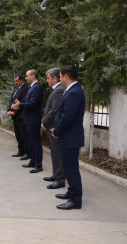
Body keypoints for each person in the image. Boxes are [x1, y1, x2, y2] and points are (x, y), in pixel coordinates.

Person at [52, 66, 85, 210]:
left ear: (66, 76)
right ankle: (72, 192)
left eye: (60, 76)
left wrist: (57, 130)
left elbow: (67, 116)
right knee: (69, 167)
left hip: (70, 137)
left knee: (71, 169)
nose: (59, 79)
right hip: (68, 136)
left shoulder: (74, 92)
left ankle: (76, 199)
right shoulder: (72, 90)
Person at [11, 69, 43, 173]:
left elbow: (32, 104)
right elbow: (28, 102)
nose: (25, 78)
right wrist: (20, 103)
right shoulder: (31, 87)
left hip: (33, 119)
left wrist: (19, 105)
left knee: (36, 143)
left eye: (27, 76)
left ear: (33, 76)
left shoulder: (37, 88)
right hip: (29, 119)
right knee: (31, 143)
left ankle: (38, 164)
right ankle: (33, 161)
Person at [41, 68, 66, 189]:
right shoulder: (56, 90)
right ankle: (56, 175)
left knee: (57, 154)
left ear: (55, 78)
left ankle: (60, 179)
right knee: (54, 153)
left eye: (48, 78)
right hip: (50, 126)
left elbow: (55, 110)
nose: (47, 80)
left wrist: (45, 122)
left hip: (53, 127)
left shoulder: (59, 90)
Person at [7, 74, 30, 160]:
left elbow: (22, 102)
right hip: (15, 117)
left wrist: (14, 112)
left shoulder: (25, 89)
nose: (15, 83)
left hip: (21, 116)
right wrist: (9, 110)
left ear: (22, 80)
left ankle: (27, 153)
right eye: (14, 81)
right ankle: (21, 151)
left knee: (24, 135)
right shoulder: (16, 90)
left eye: (17, 81)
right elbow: (11, 101)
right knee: (18, 135)